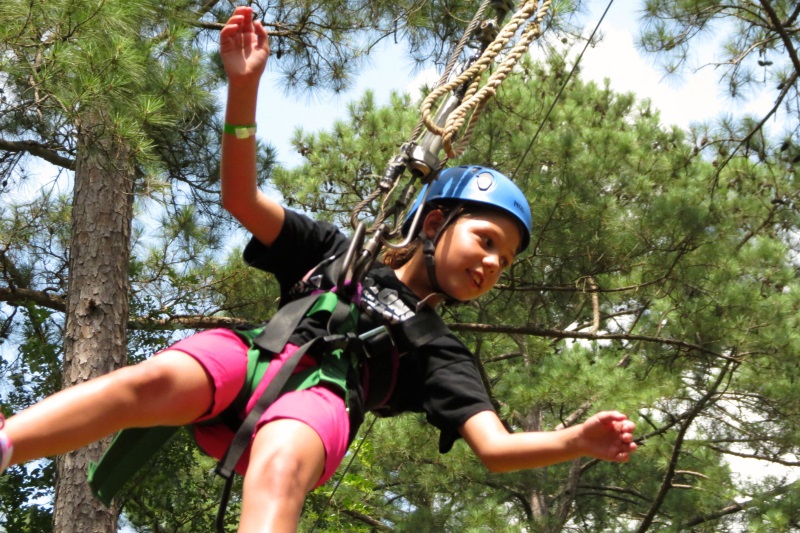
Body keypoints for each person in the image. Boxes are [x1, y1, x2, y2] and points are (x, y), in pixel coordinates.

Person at [0, 6, 637, 532]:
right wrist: (244, 87)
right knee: (147, 383)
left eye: (504, 260)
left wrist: (574, 441)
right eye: (487, 238)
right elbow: (241, 200)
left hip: (321, 402)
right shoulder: (340, 250)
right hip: (250, 360)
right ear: (435, 224)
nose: (493, 263)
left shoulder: (439, 349)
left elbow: (496, 450)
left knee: (279, 468)